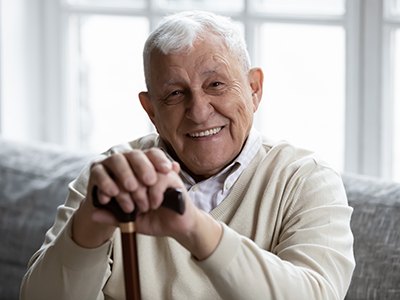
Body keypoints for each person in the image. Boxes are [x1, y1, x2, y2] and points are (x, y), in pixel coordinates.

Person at [21, 10, 355, 300]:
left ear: (254, 89)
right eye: (175, 93)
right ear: (151, 110)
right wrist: (90, 225)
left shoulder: (306, 179)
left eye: (216, 85)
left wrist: (194, 227)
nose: (198, 110)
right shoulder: (115, 175)